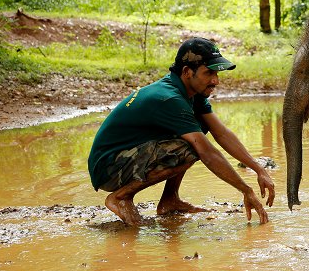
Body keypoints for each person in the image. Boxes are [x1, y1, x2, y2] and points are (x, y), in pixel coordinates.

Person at [88, 37, 275, 226]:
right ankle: (121, 197)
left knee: (198, 130)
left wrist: (259, 169)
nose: (215, 81)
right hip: (108, 167)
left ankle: (170, 200)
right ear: (187, 72)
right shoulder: (170, 99)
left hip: (126, 156)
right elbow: (208, 153)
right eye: (209, 73)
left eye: (217, 73)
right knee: (192, 147)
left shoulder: (193, 93)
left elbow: (222, 133)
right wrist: (246, 190)